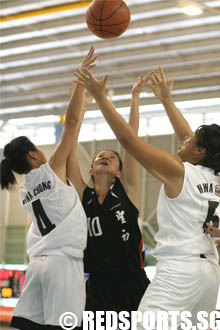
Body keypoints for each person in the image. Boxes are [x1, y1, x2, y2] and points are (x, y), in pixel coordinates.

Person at [74, 65, 220, 329]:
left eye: (191, 141)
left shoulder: (180, 172)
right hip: (209, 273)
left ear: (200, 151)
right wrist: (165, 100)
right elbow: (188, 136)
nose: (183, 140)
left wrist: (100, 97)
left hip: (179, 271)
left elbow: (130, 142)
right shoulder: (215, 179)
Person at [0, 47, 97, 330]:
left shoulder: (25, 188)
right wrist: (78, 85)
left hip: (38, 265)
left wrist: (76, 102)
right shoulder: (50, 170)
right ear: (32, 154)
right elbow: (72, 124)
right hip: (61, 264)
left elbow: (71, 131)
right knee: (66, 326)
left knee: (32, 325)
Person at [66, 74, 151, 319]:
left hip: (131, 282)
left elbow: (131, 140)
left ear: (119, 172)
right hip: (97, 285)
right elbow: (70, 144)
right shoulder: (84, 195)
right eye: (99, 157)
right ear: (90, 169)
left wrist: (135, 97)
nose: (105, 157)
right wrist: (77, 106)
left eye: (111, 157)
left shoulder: (128, 192)